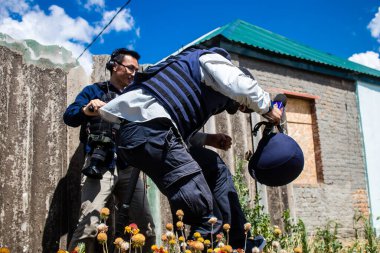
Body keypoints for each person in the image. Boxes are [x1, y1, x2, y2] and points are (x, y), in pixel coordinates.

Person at [99, 45, 282, 251]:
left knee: (214, 166)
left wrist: (207, 139)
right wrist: (268, 108)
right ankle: (210, 237)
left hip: (147, 133)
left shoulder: (185, 83)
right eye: (239, 105)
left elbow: (175, 127)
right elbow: (240, 86)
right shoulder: (212, 61)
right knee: (206, 217)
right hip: (150, 132)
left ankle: (239, 242)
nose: (238, 107)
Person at [63, 48, 155, 252]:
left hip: (129, 169)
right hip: (99, 165)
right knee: (88, 226)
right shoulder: (93, 91)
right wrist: (88, 109)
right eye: (130, 68)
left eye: (136, 70)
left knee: (146, 228)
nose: (133, 73)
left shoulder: (135, 99)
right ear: (114, 66)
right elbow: (69, 116)